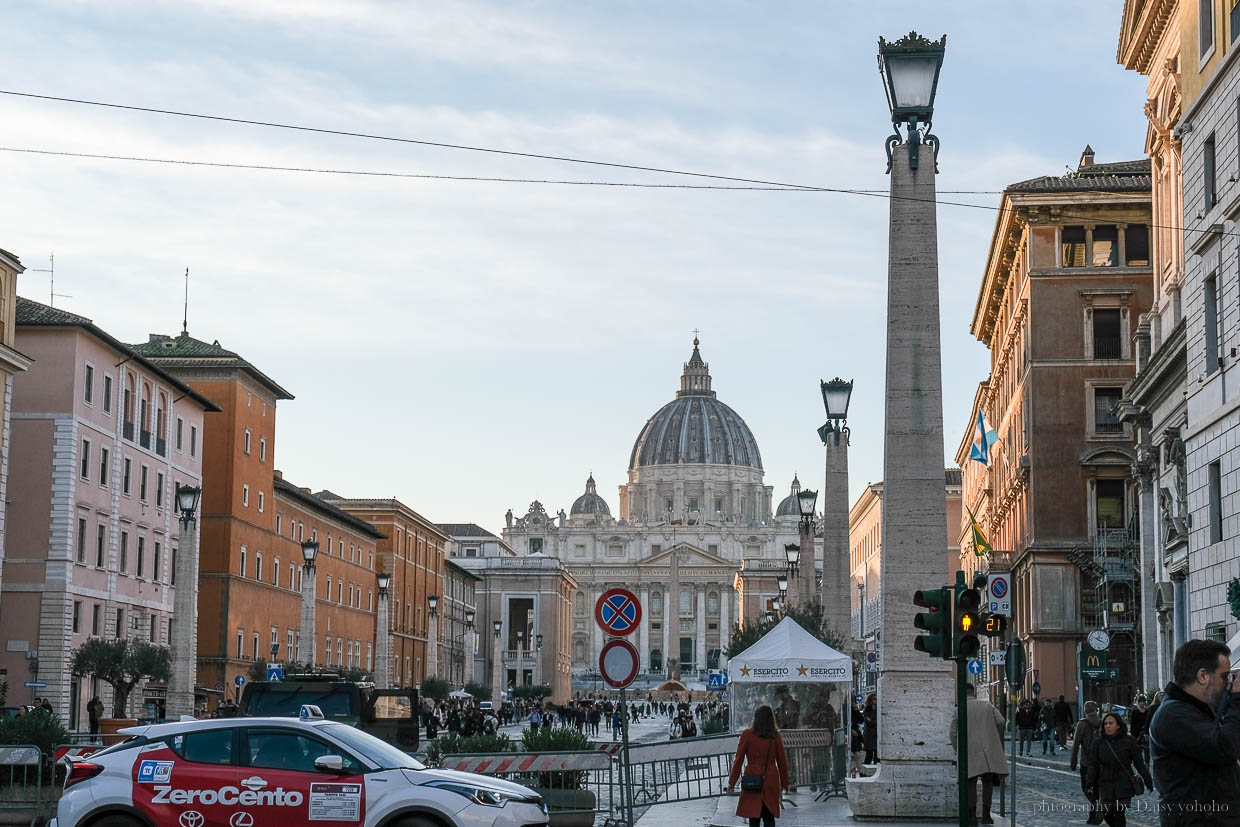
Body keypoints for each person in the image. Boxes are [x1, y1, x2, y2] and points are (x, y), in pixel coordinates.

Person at [1148, 638, 1240, 826]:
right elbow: (1225, 748)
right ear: (1203, 676)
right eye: (1225, 676)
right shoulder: (1173, 714)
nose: (1229, 684)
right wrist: (1237, 700)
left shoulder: (1197, 710)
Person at [950, 684, 1008, 826]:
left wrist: (958, 749)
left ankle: (972, 817)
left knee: (970, 783)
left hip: (969, 752)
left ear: (962, 694)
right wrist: (993, 738)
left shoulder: (959, 709)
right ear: (973, 692)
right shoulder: (987, 705)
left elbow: (952, 732)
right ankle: (987, 815)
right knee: (988, 782)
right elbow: (1001, 721)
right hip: (987, 751)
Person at [726, 705, 790, 827]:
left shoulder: (747, 735)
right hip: (770, 779)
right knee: (769, 818)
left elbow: (738, 760)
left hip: (752, 778)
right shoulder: (775, 737)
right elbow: (782, 762)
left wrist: (732, 782)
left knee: (753, 817)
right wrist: (785, 783)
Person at [1087, 712, 1152, 827]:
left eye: (1110, 723)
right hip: (1105, 782)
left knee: (1119, 812)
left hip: (1123, 782)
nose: (1107, 726)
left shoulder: (1129, 741)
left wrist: (1147, 779)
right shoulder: (1098, 742)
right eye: (1105, 724)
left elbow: (1139, 763)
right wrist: (1090, 783)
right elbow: (1093, 764)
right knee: (1107, 813)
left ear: (1118, 725)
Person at [1070, 701, 1105, 825]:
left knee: (1086, 788)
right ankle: (1092, 817)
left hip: (1087, 762)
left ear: (1085, 711)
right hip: (1101, 762)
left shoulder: (1082, 724)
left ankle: (1097, 806)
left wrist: (1073, 762)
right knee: (1097, 788)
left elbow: (1075, 745)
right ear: (1096, 710)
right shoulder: (1103, 723)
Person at [1127, 696, 1150, 764]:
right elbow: (1132, 724)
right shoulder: (1134, 712)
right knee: (1138, 752)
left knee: (1146, 752)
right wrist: (1133, 736)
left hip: (1146, 734)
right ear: (1138, 703)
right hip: (1137, 734)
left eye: (1143, 701)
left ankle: (1147, 766)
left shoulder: (1148, 712)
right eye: (1141, 702)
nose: (1142, 703)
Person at [862, 693, 878, 765]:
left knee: (877, 755)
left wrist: (873, 721)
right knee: (869, 754)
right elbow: (869, 722)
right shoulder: (867, 710)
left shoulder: (878, 709)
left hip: (876, 734)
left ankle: (875, 770)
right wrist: (874, 722)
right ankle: (865, 772)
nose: (876, 700)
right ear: (870, 700)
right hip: (869, 735)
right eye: (874, 699)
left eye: (877, 699)